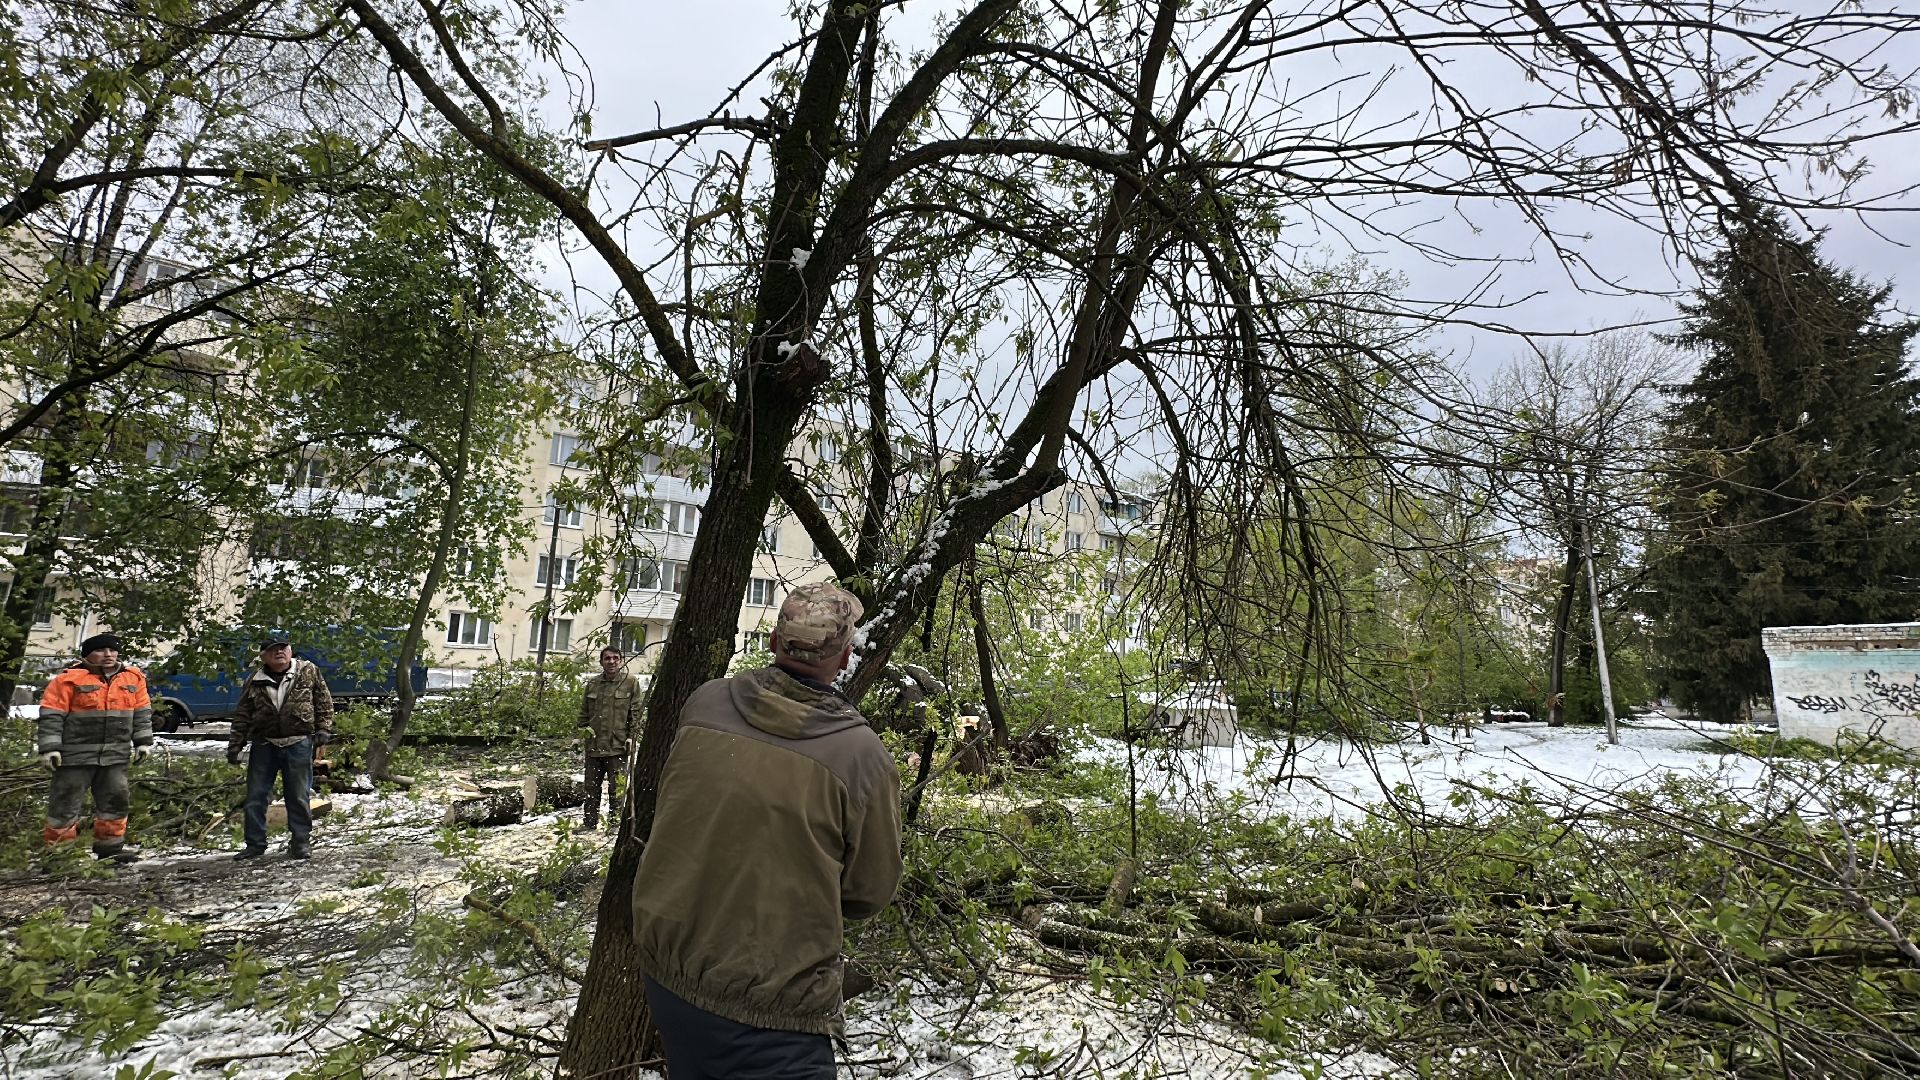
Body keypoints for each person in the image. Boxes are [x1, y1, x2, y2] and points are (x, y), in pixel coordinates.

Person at [631, 582, 902, 1080]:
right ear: (843, 660)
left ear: (775, 643)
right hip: (772, 1005)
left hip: (669, 976)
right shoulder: (861, 757)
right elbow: (867, 893)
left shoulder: (705, 704)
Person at [36, 633, 153, 860]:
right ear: (88, 654)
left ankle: (110, 849)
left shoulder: (133, 679)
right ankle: (59, 856)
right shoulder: (67, 680)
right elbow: (52, 716)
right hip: (74, 756)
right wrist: (50, 748)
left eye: (112, 650)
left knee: (115, 801)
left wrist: (143, 742)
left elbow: (142, 713)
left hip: (115, 755)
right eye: (101, 650)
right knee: (65, 804)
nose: (108, 655)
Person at [227, 635, 334, 860]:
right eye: (273, 650)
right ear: (263, 656)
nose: (279, 652)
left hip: (298, 742)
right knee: (256, 796)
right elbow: (243, 714)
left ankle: (301, 843)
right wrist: (235, 745)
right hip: (264, 744)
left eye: (283, 648)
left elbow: (323, 701)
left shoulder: (308, 671)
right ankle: (255, 844)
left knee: (298, 796)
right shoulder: (254, 680)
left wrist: (323, 729)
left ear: (290, 649)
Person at [578, 644, 639, 832]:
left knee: (617, 788)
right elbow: (584, 713)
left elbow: (636, 714)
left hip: (618, 745)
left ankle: (614, 825)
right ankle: (589, 824)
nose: (611, 662)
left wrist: (632, 737)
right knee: (591, 787)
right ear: (601, 662)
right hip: (594, 745)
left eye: (615, 658)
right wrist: (578, 736)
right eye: (607, 658)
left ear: (621, 661)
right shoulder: (593, 684)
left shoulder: (630, 683)